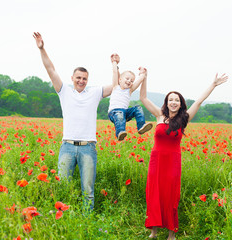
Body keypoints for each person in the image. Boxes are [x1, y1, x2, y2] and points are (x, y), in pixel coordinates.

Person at [140, 73, 228, 239]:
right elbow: (143, 97)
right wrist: (144, 77)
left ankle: (171, 234)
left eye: (177, 100)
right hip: (156, 161)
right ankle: (154, 231)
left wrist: (213, 84)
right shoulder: (159, 115)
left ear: (181, 104)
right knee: (154, 193)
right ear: (167, 102)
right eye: (171, 99)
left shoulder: (184, 118)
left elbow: (199, 101)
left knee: (171, 195)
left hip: (172, 162)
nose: (174, 102)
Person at [33, 32, 115, 210]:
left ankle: (86, 224)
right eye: (78, 78)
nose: (81, 81)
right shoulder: (64, 91)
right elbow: (51, 69)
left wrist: (115, 66)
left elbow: (116, 87)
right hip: (67, 146)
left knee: (88, 189)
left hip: (88, 147)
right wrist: (42, 49)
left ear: (87, 80)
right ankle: (64, 220)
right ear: (72, 78)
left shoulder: (95, 92)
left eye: (84, 78)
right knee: (63, 187)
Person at [108, 54, 153, 141]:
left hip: (125, 113)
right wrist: (114, 62)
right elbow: (114, 72)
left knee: (137, 108)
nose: (129, 81)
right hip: (114, 113)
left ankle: (141, 126)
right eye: (127, 79)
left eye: (131, 80)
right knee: (119, 113)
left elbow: (139, 81)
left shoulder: (130, 90)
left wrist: (142, 73)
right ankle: (120, 132)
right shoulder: (115, 86)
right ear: (120, 79)